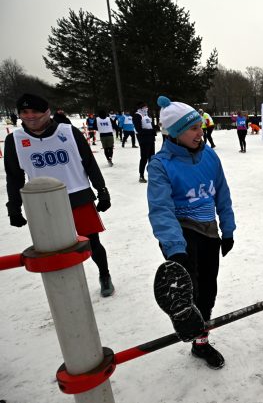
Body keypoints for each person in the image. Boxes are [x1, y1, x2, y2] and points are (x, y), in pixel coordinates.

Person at [148, 95, 236, 369]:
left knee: (208, 291)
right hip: (182, 233)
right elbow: (161, 210)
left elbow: (222, 193)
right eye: (194, 128)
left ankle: (200, 341)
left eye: (200, 126)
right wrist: (176, 249)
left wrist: (228, 228)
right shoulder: (161, 165)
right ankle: (182, 307)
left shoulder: (210, 156)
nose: (201, 132)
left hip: (208, 230)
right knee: (193, 289)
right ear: (175, 133)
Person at [4, 94, 114, 296]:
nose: (30, 116)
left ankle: (104, 274)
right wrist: (14, 207)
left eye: (35, 111)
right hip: (42, 202)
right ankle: (64, 287)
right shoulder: (15, 140)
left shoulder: (68, 132)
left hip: (77, 195)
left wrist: (102, 190)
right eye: (25, 112)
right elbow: (14, 177)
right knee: (52, 248)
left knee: (92, 243)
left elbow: (89, 162)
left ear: (47, 112)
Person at [133, 102, 156, 183]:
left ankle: (152, 173)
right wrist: (151, 131)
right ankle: (141, 175)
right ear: (141, 108)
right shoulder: (137, 115)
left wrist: (154, 130)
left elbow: (151, 126)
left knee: (152, 157)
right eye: (145, 107)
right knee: (144, 158)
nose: (147, 108)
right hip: (144, 140)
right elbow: (139, 130)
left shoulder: (146, 115)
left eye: (147, 107)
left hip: (151, 139)